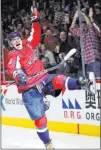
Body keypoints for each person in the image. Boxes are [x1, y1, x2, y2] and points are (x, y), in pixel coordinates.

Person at [6, 6, 94, 149]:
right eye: (13, 40)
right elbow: (13, 69)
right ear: (11, 44)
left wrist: (35, 20)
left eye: (17, 38)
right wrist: (18, 75)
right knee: (40, 119)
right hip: (29, 89)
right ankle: (48, 144)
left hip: (42, 79)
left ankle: (82, 83)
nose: (16, 41)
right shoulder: (12, 55)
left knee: (59, 79)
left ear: (20, 39)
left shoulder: (27, 44)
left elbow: (36, 33)